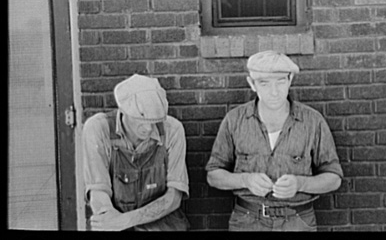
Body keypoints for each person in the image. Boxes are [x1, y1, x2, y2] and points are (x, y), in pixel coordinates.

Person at [206, 50, 343, 231]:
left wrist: (300, 184)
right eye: (264, 83)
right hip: (248, 220)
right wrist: (245, 180)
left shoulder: (312, 121)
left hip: (298, 220)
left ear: (290, 80)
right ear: (252, 84)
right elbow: (213, 175)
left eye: (280, 82)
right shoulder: (235, 120)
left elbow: (333, 178)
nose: (274, 92)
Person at [82, 74, 190, 231]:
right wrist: (109, 219)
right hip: (116, 220)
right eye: (141, 122)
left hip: (161, 223)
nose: (148, 128)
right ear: (123, 111)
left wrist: (126, 220)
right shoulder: (98, 128)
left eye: (154, 122)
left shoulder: (173, 130)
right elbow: (98, 191)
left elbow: (174, 197)